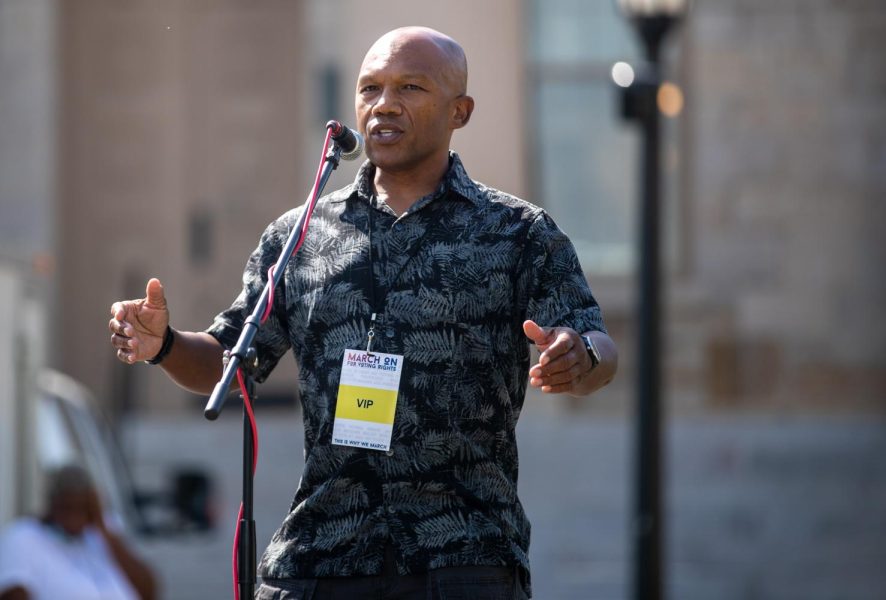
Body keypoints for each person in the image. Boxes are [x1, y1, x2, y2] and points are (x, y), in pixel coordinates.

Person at [108, 26, 617, 599]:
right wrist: (166, 345)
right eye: (370, 88)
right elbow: (231, 364)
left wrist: (581, 355)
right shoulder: (299, 234)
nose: (385, 105)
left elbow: (597, 345)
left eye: (411, 87)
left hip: (461, 560)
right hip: (321, 559)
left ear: (461, 111)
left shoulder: (518, 232)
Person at [0, 465, 157, 600]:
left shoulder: (103, 535)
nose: (73, 518)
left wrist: (102, 527)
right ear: (53, 503)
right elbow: (13, 593)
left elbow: (148, 592)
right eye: (67, 507)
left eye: (82, 507)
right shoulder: (24, 536)